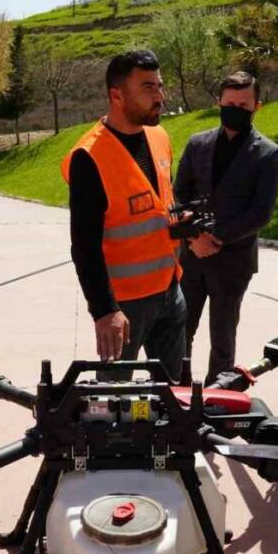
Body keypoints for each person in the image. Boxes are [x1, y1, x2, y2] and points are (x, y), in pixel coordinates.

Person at [61, 49, 186, 379]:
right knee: (114, 404)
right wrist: (105, 311)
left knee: (174, 397)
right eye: (148, 87)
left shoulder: (159, 137)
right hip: (124, 307)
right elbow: (84, 247)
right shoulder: (89, 157)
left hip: (170, 292)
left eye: (159, 86)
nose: (160, 96)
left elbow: (160, 204)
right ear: (116, 94)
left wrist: (182, 225)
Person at [174, 71, 278, 384]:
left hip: (233, 261)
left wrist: (216, 237)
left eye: (243, 103)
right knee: (180, 331)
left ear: (256, 106)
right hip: (191, 255)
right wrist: (195, 236)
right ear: (219, 101)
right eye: (229, 102)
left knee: (223, 339)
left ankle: (214, 403)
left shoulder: (268, 153)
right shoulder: (197, 144)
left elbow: (261, 212)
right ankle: (177, 395)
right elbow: (180, 193)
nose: (235, 108)